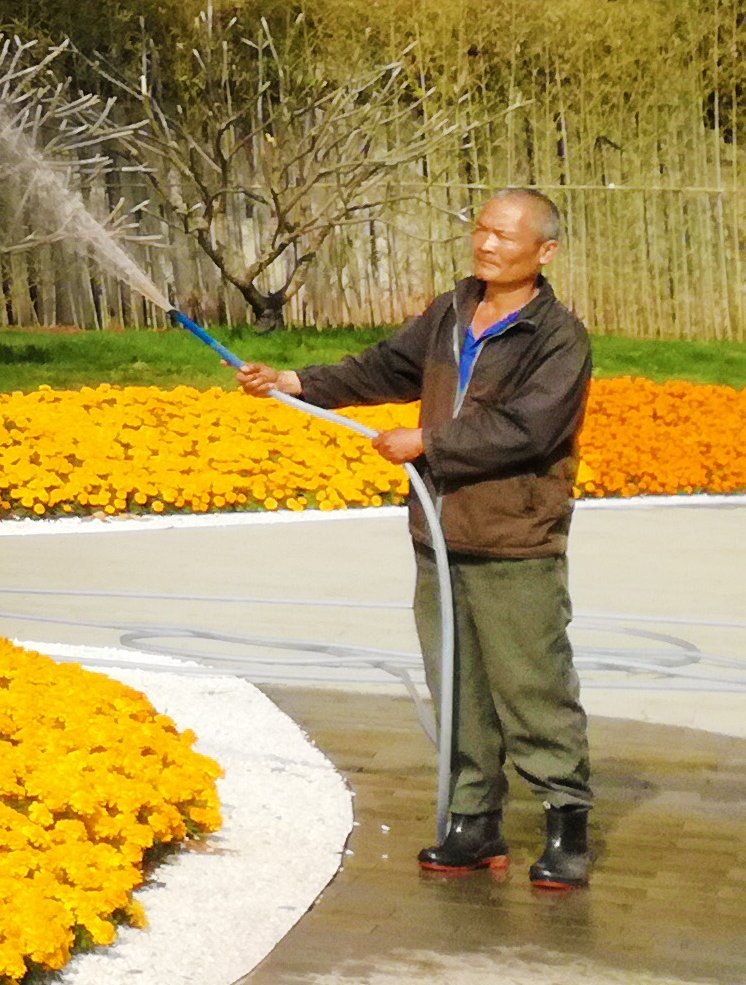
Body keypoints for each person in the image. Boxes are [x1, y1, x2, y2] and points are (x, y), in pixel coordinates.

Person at [240, 189, 594, 889]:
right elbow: (383, 368)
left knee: (532, 684)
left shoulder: (557, 338)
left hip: (513, 536)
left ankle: (565, 820)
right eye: (481, 229)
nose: (486, 244)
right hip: (438, 534)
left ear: (544, 251)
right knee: (454, 680)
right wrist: (293, 380)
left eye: (504, 235)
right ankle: (472, 822)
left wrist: (428, 441)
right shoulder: (451, 312)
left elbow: (530, 429)